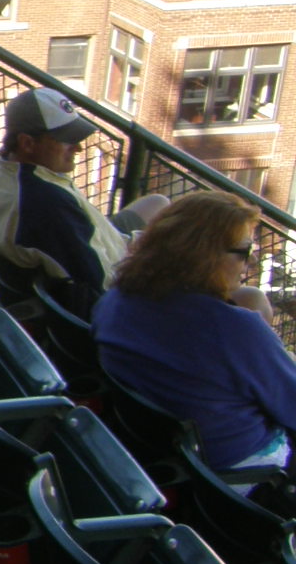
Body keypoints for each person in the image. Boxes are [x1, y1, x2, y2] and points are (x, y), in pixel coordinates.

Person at [96, 191, 296, 474]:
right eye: (244, 252)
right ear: (206, 257)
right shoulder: (236, 329)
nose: (249, 264)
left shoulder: (115, 301)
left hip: (157, 454)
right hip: (242, 475)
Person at [0, 86, 168, 316]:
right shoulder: (47, 203)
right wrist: (151, 255)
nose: (78, 147)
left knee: (158, 203)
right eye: (66, 140)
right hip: (115, 282)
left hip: (101, 242)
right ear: (27, 143)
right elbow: (102, 284)